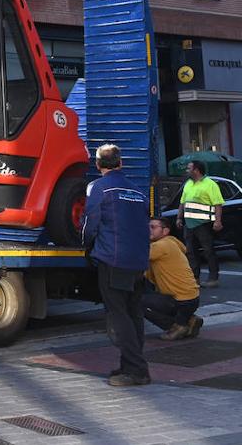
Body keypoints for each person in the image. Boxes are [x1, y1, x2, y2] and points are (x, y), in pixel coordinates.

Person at [82, 143, 151, 387]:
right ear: (121, 163)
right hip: (138, 260)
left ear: (98, 165)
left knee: (119, 315)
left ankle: (136, 370)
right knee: (134, 314)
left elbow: (90, 223)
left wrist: (87, 247)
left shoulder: (98, 187)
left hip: (113, 258)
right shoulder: (138, 191)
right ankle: (130, 365)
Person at [143, 217, 203, 340]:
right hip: (191, 298)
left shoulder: (161, 246)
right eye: (148, 227)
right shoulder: (172, 242)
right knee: (149, 294)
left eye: (153, 227)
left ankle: (179, 326)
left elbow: (136, 255)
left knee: (137, 302)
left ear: (165, 231)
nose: (149, 230)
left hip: (180, 300)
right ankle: (188, 319)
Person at [178, 160, 225, 288]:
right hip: (189, 224)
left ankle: (213, 278)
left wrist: (217, 221)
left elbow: (217, 204)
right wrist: (179, 218)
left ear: (196, 170)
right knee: (191, 252)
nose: (187, 171)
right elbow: (183, 202)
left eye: (189, 168)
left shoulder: (210, 184)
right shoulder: (188, 184)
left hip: (203, 224)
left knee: (208, 250)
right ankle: (195, 278)